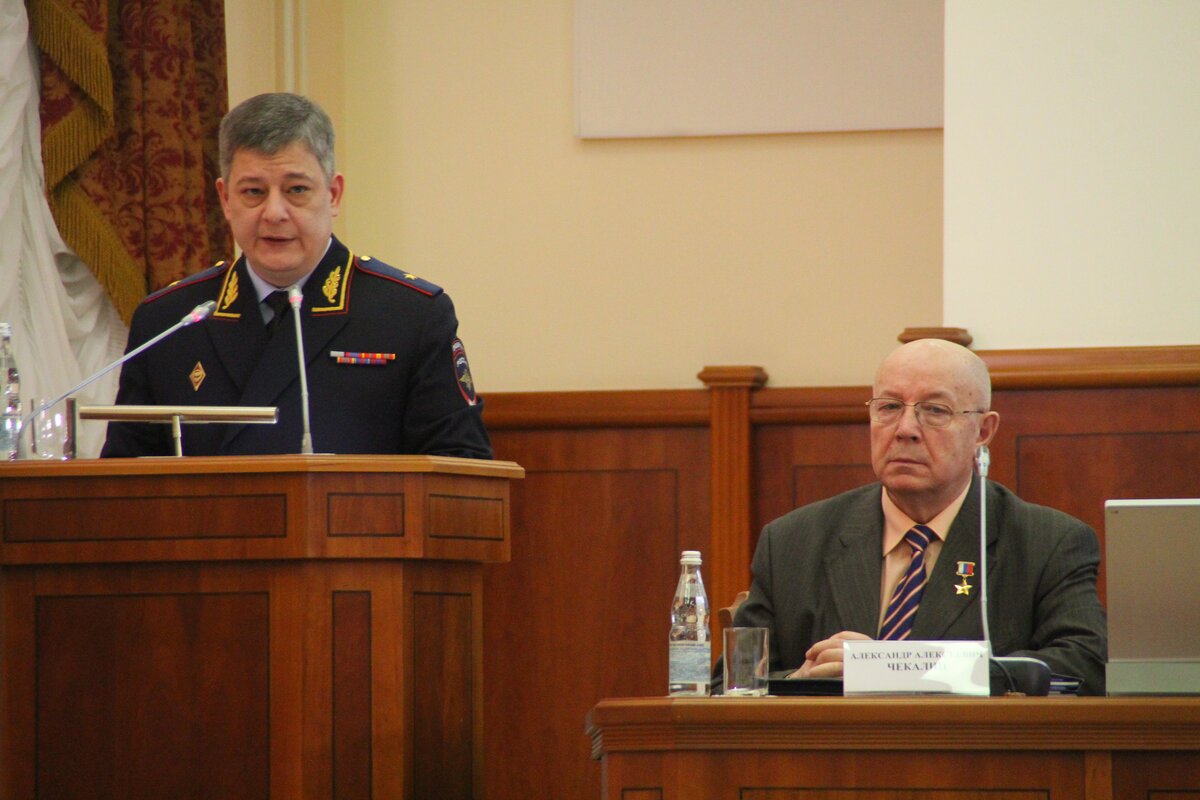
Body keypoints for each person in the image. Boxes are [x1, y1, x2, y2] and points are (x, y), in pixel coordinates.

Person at [101, 93, 491, 458]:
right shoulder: (169, 321)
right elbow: (125, 482)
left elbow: (461, 471)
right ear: (225, 199)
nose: (274, 213)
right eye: (253, 192)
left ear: (333, 195)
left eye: (297, 190)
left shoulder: (410, 316)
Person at [728, 338, 1107, 694]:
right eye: (889, 407)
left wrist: (890, 668)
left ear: (983, 431)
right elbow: (732, 683)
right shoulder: (792, 541)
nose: (905, 429)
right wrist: (800, 681)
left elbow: (1085, 666)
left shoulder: (1047, 542)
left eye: (935, 410)